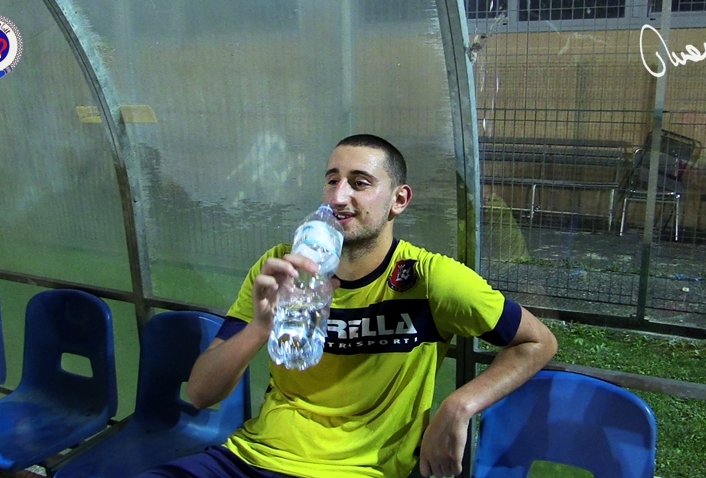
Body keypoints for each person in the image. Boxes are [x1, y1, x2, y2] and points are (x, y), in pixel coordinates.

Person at [138, 134, 557, 478]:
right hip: (250, 458)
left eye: (359, 183)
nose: (339, 197)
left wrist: (459, 406)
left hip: (360, 470)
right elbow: (200, 393)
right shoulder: (282, 267)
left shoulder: (428, 280)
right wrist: (260, 327)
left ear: (398, 200)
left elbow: (538, 342)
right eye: (332, 180)